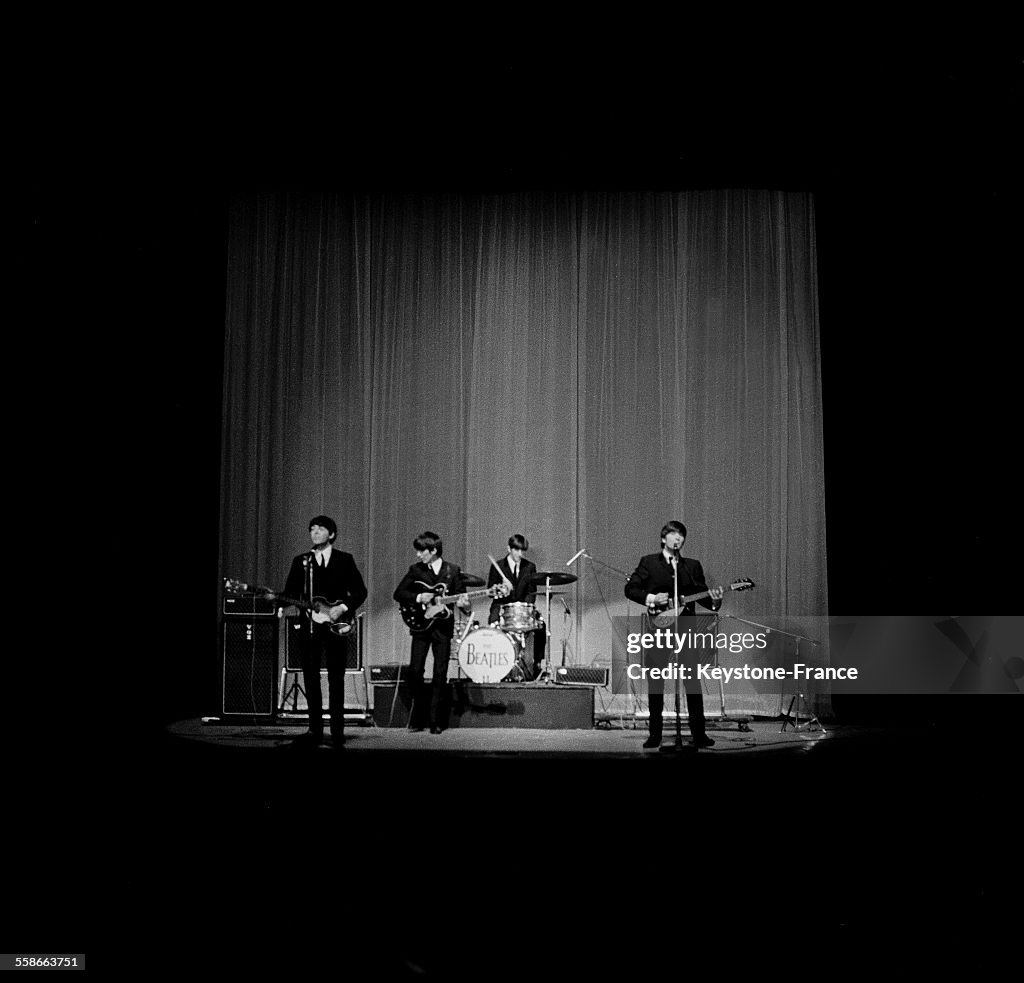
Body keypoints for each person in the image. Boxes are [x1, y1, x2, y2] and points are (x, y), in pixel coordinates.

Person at [624, 521, 723, 750]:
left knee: (692, 680)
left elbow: (704, 598)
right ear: (663, 539)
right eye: (673, 535)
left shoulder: (691, 566)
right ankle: (655, 734)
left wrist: (716, 598)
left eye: (681, 536)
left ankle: (699, 735)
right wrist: (651, 598)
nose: (678, 539)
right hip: (659, 627)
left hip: (686, 626)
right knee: (656, 680)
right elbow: (631, 589)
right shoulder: (649, 562)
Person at [279, 515, 367, 747]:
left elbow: (360, 591)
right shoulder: (302, 561)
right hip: (309, 627)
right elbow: (290, 592)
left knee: (336, 678)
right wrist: (277, 601)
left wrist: (342, 607)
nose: (315, 533)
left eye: (320, 529)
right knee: (311, 678)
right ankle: (314, 730)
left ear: (332, 534)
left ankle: (337, 732)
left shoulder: (344, 560)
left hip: (336, 627)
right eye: (312, 529)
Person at [393, 532, 472, 734]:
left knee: (440, 673)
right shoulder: (416, 570)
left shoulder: (452, 570)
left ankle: (435, 720)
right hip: (420, 625)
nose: (419, 555)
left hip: (443, 628)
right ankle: (418, 716)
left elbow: (462, 601)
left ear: (434, 550)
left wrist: (465, 604)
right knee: (415, 671)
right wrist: (419, 597)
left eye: (422, 551)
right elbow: (399, 593)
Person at [486, 534, 546, 678]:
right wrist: (501, 590)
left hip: (522, 606)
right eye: (517, 550)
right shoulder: (498, 566)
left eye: (522, 551)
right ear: (509, 549)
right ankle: (493, 664)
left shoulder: (530, 566)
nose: (520, 554)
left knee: (541, 625)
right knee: (493, 621)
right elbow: (490, 591)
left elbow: (532, 591)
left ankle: (537, 664)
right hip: (502, 606)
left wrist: (524, 607)